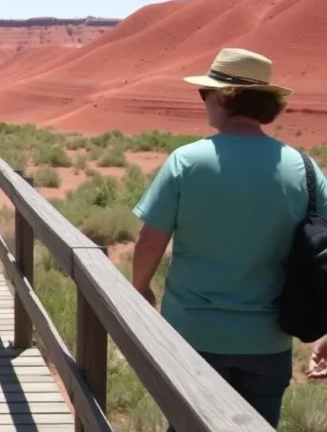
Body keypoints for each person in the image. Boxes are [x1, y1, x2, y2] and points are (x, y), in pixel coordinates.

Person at [131, 48, 327, 430]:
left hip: (191, 332)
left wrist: (139, 288)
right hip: (269, 339)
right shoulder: (303, 168)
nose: (204, 103)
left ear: (223, 98)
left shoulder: (186, 161)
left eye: (205, 94)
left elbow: (150, 241)